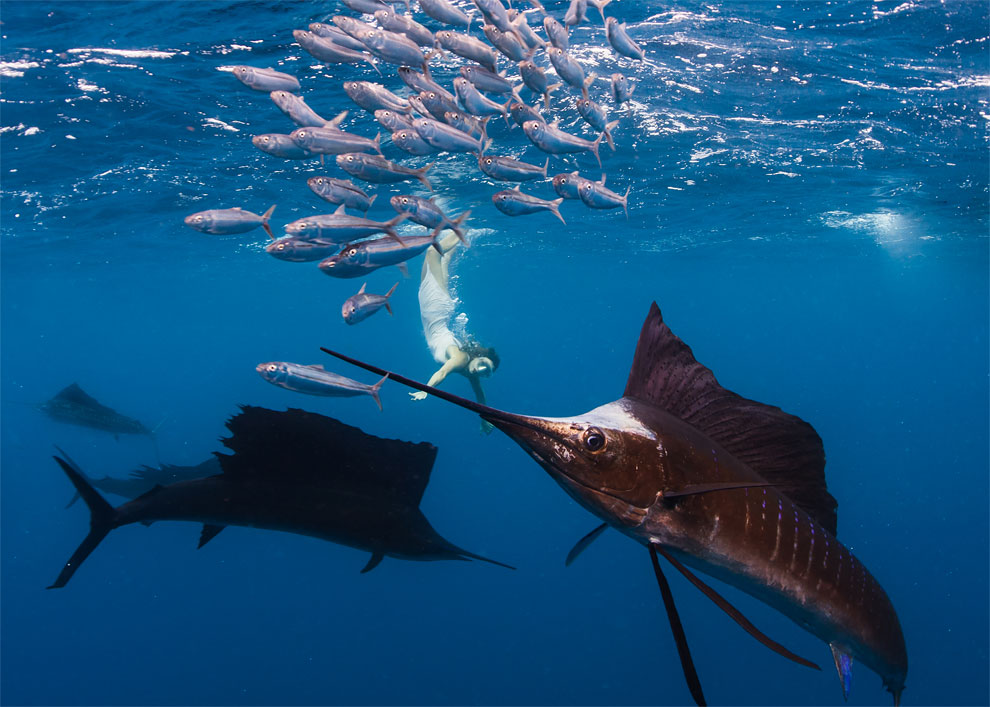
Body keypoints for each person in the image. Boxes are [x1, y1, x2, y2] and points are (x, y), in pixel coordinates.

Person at [413, 231, 499, 431]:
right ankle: (461, 231)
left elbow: (480, 396)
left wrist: (485, 418)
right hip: (434, 307)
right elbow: (443, 371)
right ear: (477, 358)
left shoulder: (471, 372)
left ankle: (453, 235)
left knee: (443, 262)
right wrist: (426, 390)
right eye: (483, 365)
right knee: (432, 253)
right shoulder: (461, 359)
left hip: (440, 309)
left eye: (486, 372)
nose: (480, 371)